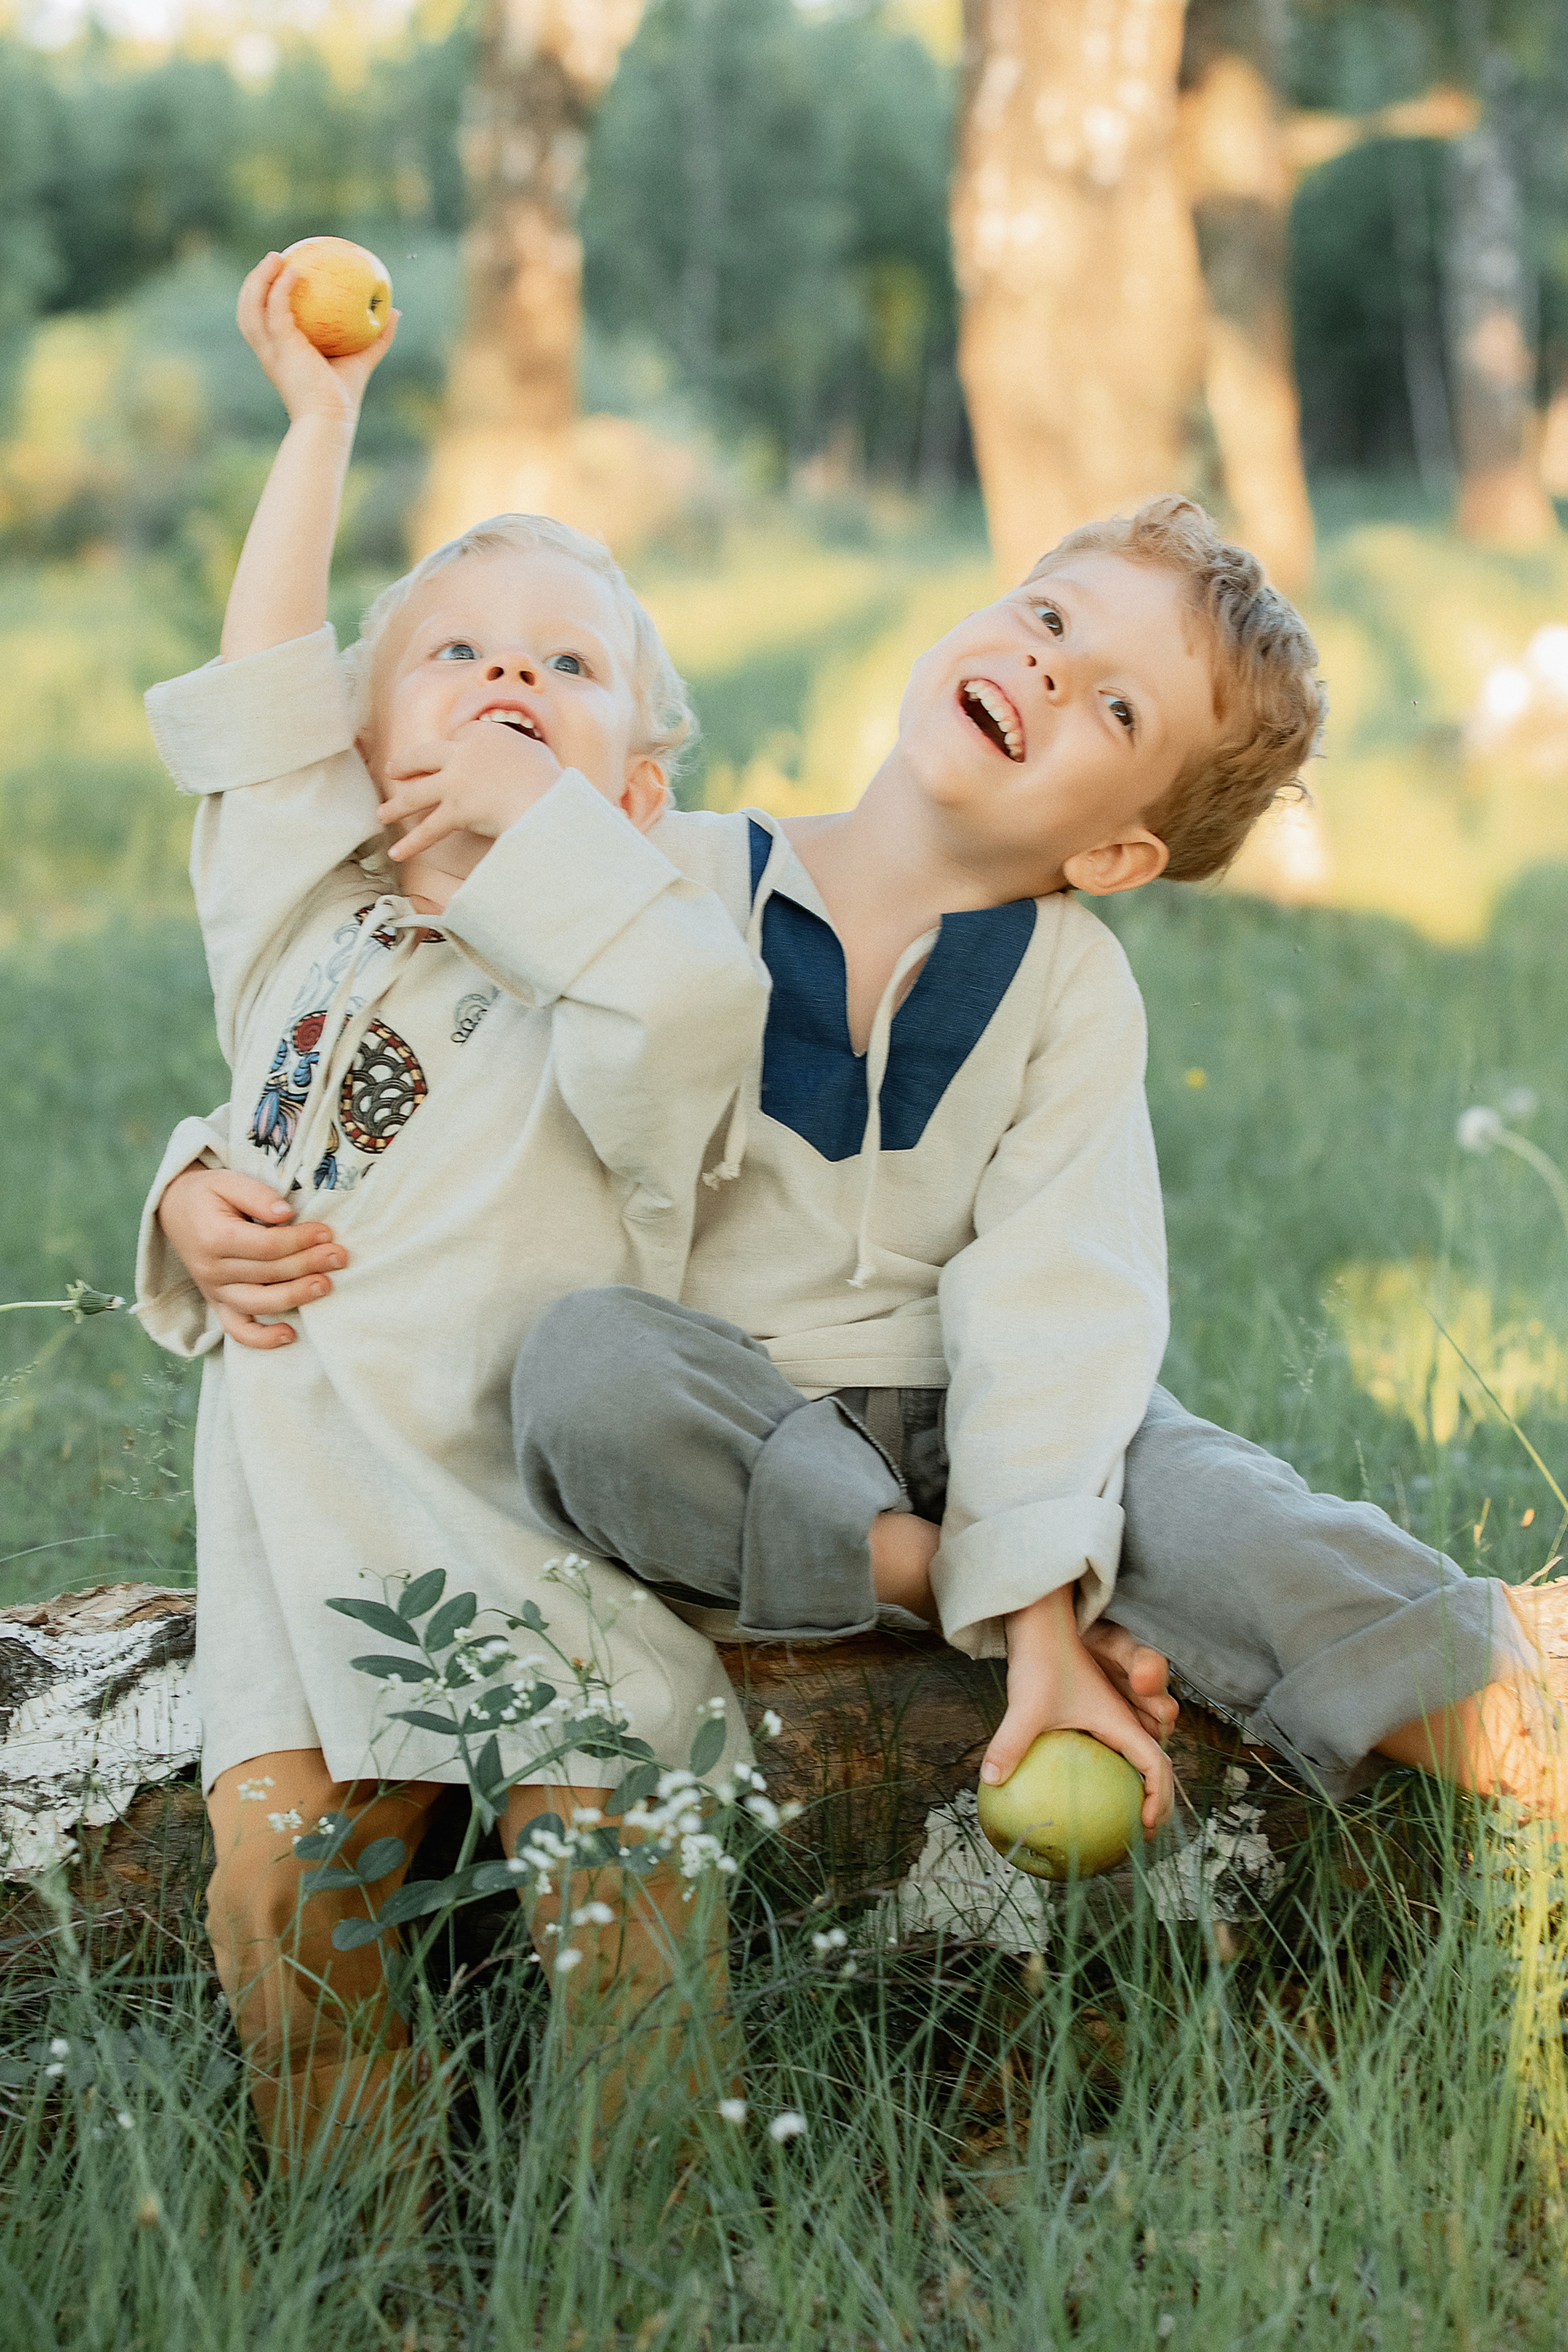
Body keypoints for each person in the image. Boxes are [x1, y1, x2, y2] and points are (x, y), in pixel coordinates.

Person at [153, 493, 1568, 1857]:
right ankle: (980, 1594)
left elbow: (1058, 1295)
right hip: (729, 1414)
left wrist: (1041, 1527)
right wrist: (192, 1181)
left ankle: (1519, 1748)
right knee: (584, 1370)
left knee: (1222, 1511)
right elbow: (390, 1032)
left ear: (1119, 849)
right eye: (1046, 617)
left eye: (1114, 707)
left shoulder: (1070, 986)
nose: (1046, 671)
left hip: (982, 1418)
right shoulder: (658, 865)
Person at [134, 251, 771, 2166]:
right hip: (308, 1522)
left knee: (631, 1882)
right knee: (292, 1922)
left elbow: (675, 1035)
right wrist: (321, 427)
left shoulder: (649, 944)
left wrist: (550, 848)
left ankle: (629, 2265)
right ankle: (365, 2270)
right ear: (360, 739)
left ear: (643, 793)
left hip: (532, 1517)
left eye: (567, 671)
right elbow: (263, 679)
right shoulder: (301, 919)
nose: (508, 679)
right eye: (460, 654)